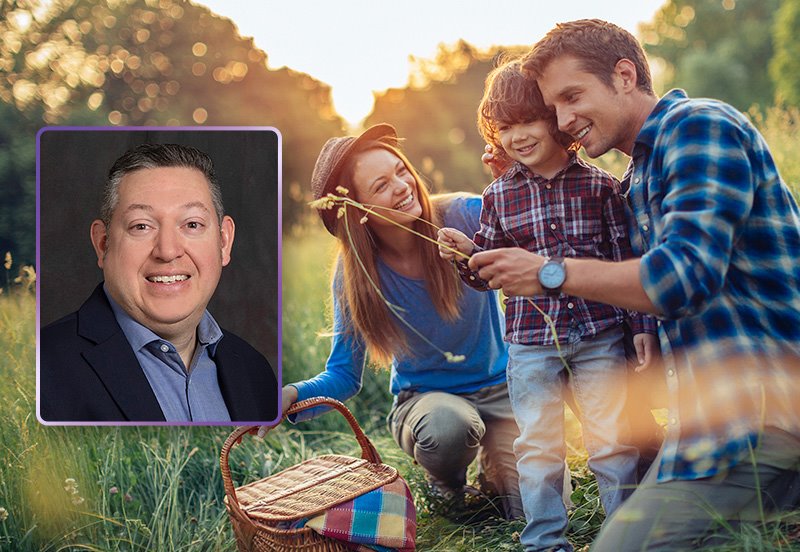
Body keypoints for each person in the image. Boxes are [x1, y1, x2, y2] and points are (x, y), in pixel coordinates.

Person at [470, 19, 800, 550]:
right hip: (704, 427)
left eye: (572, 97)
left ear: (624, 76)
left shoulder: (698, 127)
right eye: (553, 108)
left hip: (767, 414)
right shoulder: (636, 180)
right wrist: (518, 176)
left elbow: (681, 277)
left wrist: (549, 272)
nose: (564, 120)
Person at [437, 59, 658, 552]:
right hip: (531, 343)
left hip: (599, 334)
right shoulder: (498, 196)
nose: (517, 136)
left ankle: (624, 533)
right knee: (538, 444)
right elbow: (488, 275)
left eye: (527, 121)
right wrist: (468, 256)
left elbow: (625, 260)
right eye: (505, 127)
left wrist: (642, 325)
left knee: (611, 439)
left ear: (556, 120)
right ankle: (544, 540)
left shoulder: (600, 187)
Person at [280, 123, 525, 520]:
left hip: (504, 389)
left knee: (537, 506)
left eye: (400, 170)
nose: (402, 186)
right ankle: (446, 483)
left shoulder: (464, 214)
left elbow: (531, 228)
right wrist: (292, 395)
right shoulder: (357, 277)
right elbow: (344, 376)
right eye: (381, 185)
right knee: (447, 428)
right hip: (428, 402)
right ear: (358, 212)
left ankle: (495, 469)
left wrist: (514, 176)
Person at [39, 143, 278, 423]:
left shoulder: (254, 373)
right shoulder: (42, 371)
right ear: (103, 244)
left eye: (192, 224)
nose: (167, 251)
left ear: (224, 241)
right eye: (141, 226)